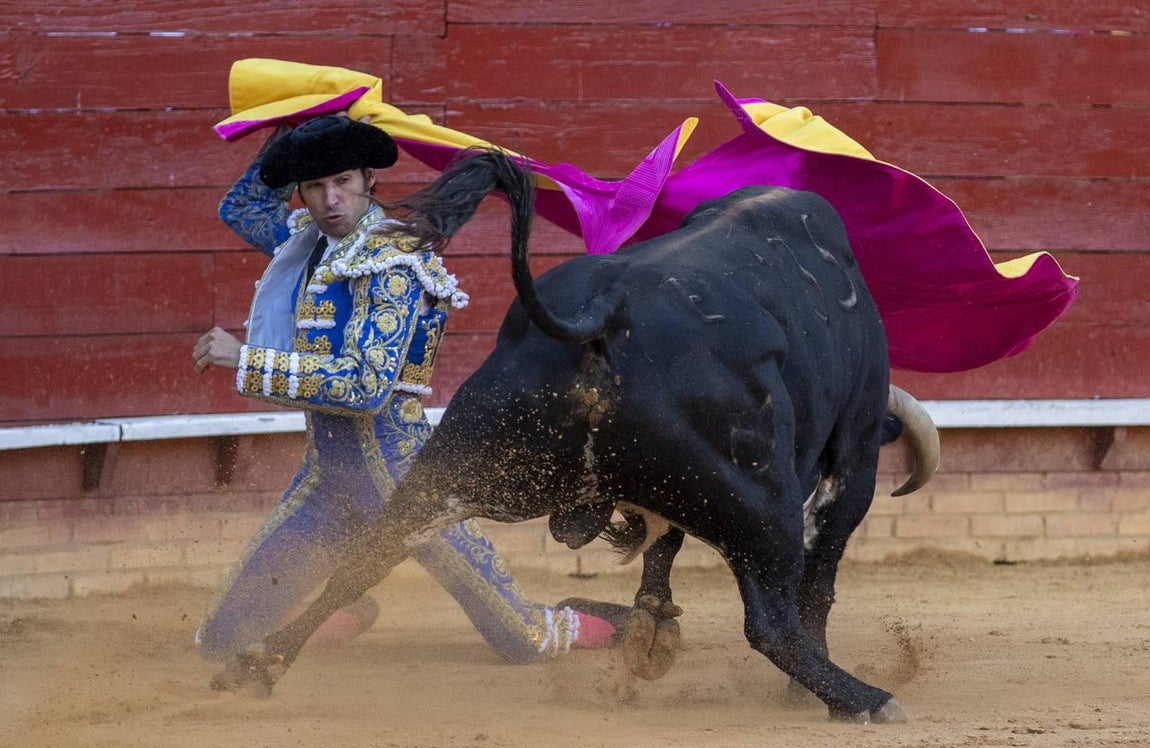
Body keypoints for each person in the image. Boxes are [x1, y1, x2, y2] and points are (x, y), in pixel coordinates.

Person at [192, 115, 625, 684]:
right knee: (219, 639)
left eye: (343, 181)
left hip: (408, 486)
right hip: (328, 481)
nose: (330, 200)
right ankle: (344, 614)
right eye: (315, 186)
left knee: (522, 638)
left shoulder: (393, 263)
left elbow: (365, 386)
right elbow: (244, 206)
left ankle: (620, 623)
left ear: (369, 179)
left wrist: (248, 359)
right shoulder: (310, 243)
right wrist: (294, 123)